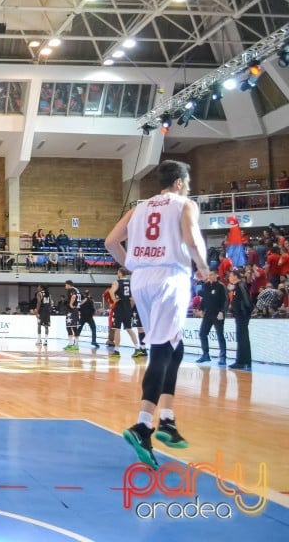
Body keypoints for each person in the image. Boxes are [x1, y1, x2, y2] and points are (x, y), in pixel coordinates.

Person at [104, 159, 211, 469]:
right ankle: (142, 425)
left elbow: (111, 242)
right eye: (187, 182)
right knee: (162, 350)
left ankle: (167, 419)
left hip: (142, 281)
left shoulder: (139, 208)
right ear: (178, 182)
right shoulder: (183, 203)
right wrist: (203, 268)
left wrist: (132, 265)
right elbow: (191, 238)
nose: (187, 187)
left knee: (174, 347)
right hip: (169, 277)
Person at [108, 267, 144, 358]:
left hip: (120, 306)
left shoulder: (117, 282)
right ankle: (137, 348)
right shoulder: (131, 282)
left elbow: (111, 291)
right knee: (129, 328)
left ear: (120, 273)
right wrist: (130, 307)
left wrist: (114, 300)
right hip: (127, 306)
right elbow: (133, 298)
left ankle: (116, 351)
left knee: (117, 329)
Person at [196, 270, 228, 365]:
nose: (209, 276)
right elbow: (204, 299)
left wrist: (222, 311)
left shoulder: (221, 286)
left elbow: (226, 300)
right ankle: (205, 354)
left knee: (220, 335)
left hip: (218, 314)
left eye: (211, 274)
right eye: (208, 275)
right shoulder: (205, 286)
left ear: (216, 275)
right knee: (202, 333)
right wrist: (200, 309)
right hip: (208, 314)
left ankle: (223, 357)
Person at [227, 270, 253, 371]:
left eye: (230, 276)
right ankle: (245, 361)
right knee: (242, 337)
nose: (229, 278)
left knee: (242, 337)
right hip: (240, 314)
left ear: (235, 276)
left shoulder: (240, 286)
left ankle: (241, 362)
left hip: (243, 315)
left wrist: (246, 311)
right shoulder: (236, 287)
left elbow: (246, 300)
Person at [62, 280, 81, 351]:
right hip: (72, 311)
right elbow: (82, 298)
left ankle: (76, 345)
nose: (65, 286)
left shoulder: (71, 289)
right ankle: (70, 344)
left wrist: (70, 304)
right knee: (69, 327)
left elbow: (73, 296)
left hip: (72, 311)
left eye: (65, 285)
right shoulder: (76, 289)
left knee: (73, 327)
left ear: (69, 285)